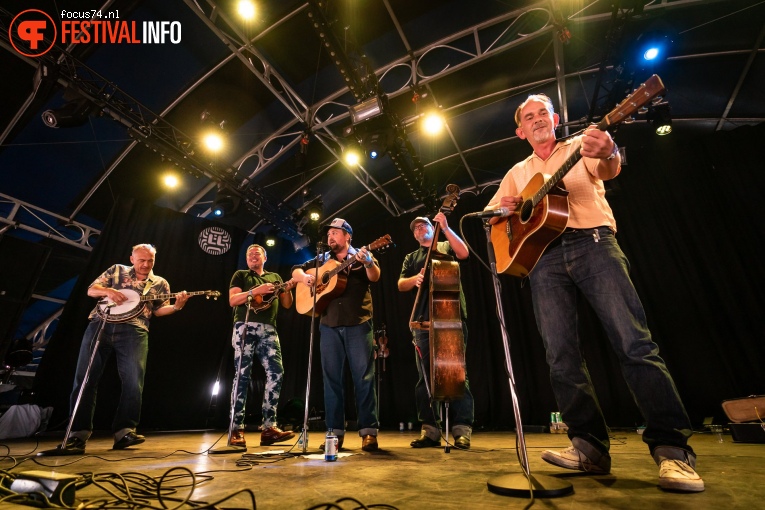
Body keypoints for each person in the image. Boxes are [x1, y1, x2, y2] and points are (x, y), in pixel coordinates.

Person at [485, 94, 703, 492]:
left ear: (555, 118)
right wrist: (507, 209)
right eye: (528, 117)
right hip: (544, 260)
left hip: (594, 243)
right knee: (560, 355)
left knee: (634, 344)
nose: (536, 120)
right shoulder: (518, 171)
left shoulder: (579, 147)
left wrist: (611, 151)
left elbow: (608, 167)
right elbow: (491, 217)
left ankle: (673, 451)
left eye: (542, 114)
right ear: (520, 131)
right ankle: (589, 447)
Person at [65, 243, 188, 451]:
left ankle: (124, 432)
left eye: (150, 261)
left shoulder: (159, 283)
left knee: (133, 381)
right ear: (132, 259)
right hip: (100, 325)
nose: (146, 265)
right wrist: (109, 291)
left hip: (134, 330)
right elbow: (91, 290)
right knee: (85, 379)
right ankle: (77, 434)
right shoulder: (117, 270)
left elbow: (158, 311)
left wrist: (176, 307)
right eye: (141, 260)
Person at [292, 218, 381, 452]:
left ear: (347, 236)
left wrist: (369, 262)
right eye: (329, 233)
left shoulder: (360, 255)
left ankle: (368, 432)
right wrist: (305, 278)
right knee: (331, 380)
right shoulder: (322, 260)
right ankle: (334, 434)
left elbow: (375, 276)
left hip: (358, 323)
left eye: (335, 233)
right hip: (329, 325)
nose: (330, 237)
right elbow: (295, 270)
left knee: (364, 378)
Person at [398, 214, 475, 450]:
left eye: (424, 225)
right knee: (425, 379)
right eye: (416, 228)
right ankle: (430, 431)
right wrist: (415, 279)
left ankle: (461, 430)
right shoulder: (411, 257)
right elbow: (401, 284)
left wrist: (447, 228)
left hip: (451, 317)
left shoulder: (444, 245)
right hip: (422, 322)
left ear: (433, 228)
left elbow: (463, 254)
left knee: (456, 374)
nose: (420, 229)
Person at [227, 244, 297, 447]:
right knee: (242, 375)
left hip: (269, 329)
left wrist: (287, 290)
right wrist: (256, 290)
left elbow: (286, 304)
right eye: (249, 254)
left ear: (264, 258)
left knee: (277, 372)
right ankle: (236, 428)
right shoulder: (240, 275)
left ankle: (269, 428)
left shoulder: (275, 277)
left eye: (256, 253)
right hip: (245, 326)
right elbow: (233, 300)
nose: (252, 256)